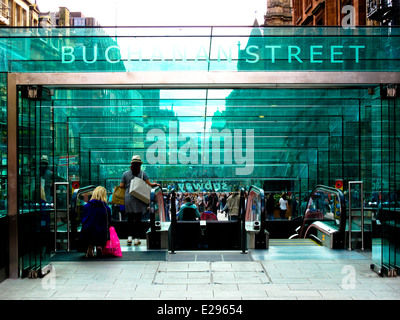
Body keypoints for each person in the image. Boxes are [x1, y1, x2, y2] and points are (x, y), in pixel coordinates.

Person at [119, 155, 160, 245]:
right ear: (139, 165)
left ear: (132, 164)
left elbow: (121, 186)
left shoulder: (125, 174)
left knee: (129, 218)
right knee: (138, 219)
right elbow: (149, 184)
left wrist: (128, 186)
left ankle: (129, 238)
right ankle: (137, 238)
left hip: (128, 198)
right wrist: (157, 185)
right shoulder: (143, 174)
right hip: (138, 198)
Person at [80, 186, 112, 258]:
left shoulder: (87, 206)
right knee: (103, 228)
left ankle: (90, 246)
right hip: (101, 234)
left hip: (88, 233)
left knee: (89, 227)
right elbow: (109, 222)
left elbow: (83, 219)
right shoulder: (106, 208)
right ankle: (99, 246)